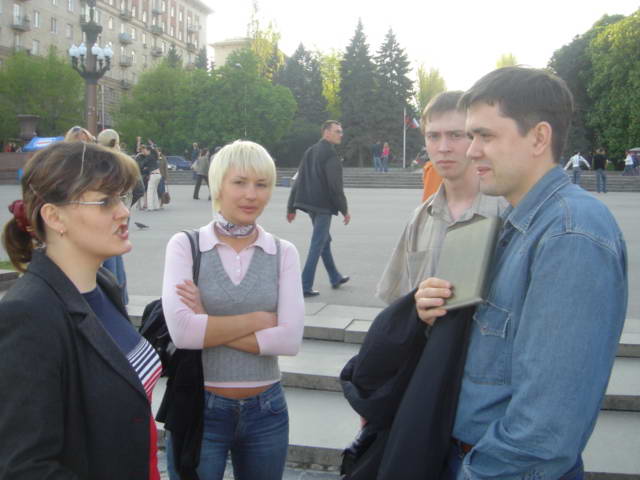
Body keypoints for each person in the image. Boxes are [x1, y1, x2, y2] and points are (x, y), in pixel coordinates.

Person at [415, 67, 627, 480]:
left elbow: (544, 431)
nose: (471, 151)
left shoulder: (570, 234)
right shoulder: (520, 222)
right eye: (471, 136)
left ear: (539, 137)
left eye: (485, 136)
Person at [0, 141, 161, 479]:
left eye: (122, 197)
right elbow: (25, 466)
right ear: (54, 217)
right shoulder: (28, 314)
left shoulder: (104, 284)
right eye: (105, 201)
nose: (124, 211)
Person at [162, 140, 304, 480]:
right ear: (218, 185)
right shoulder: (187, 246)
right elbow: (183, 334)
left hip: (267, 410)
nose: (251, 195)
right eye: (240, 182)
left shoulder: (283, 252)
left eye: (262, 184)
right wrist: (259, 320)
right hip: (200, 405)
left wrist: (207, 322)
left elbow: (289, 340)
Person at [377, 91, 505, 304]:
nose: (443, 148)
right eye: (433, 136)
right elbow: (397, 300)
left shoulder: (508, 213)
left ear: (477, 139)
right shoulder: (419, 219)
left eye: (456, 135)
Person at [286, 120, 351, 297]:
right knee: (317, 243)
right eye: (337, 131)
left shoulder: (310, 151)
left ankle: (335, 276)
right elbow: (335, 187)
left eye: (341, 131)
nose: (341, 134)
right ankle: (304, 285)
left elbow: (298, 179)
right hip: (322, 206)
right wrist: (344, 210)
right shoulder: (330, 155)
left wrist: (291, 207)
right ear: (326, 132)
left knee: (324, 240)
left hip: (310, 205)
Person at [97, 128, 130, 304]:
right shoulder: (123, 162)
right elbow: (137, 189)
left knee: (110, 257)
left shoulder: (97, 165)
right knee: (116, 257)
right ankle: (121, 299)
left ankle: (114, 299)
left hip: (105, 219)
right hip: (115, 218)